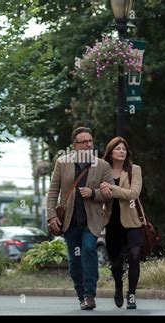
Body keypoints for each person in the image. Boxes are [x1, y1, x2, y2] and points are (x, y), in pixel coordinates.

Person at [47, 127, 114, 310]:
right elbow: (53, 191)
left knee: (89, 250)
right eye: (84, 142)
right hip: (70, 221)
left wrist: (93, 193)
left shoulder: (102, 166)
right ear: (74, 146)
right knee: (74, 261)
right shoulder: (62, 163)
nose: (88, 144)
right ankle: (81, 294)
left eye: (90, 141)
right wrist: (51, 216)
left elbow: (110, 193)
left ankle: (90, 295)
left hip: (92, 221)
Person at [100, 137, 144, 309]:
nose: (121, 151)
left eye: (124, 149)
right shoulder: (103, 172)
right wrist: (100, 191)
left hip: (132, 221)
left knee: (134, 257)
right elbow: (99, 194)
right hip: (111, 223)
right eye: (118, 149)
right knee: (116, 262)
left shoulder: (135, 170)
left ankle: (131, 294)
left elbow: (133, 193)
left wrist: (111, 189)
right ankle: (118, 286)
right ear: (110, 152)